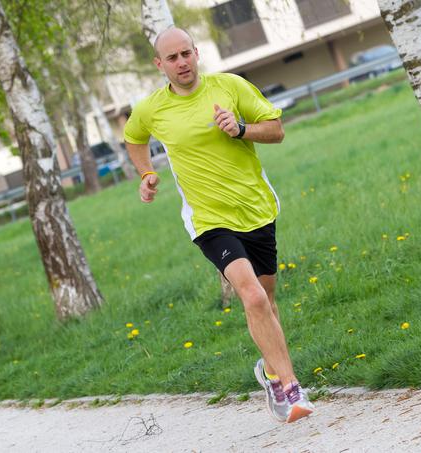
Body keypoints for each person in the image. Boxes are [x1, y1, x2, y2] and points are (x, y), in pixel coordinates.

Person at [123, 26, 314, 423]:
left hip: (256, 208)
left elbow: (276, 129)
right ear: (160, 65)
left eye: (186, 54)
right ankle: (289, 387)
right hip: (208, 219)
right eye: (172, 58)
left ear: (196, 54)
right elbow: (134, 138)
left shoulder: (230, 87)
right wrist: (146, 175)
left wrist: (241, 129)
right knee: (253, 298)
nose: (181, 63)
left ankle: (270, 369)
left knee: (268, 299)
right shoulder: (151, 108)